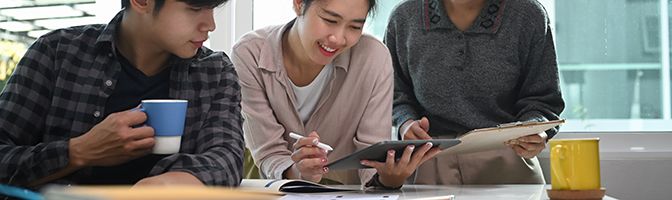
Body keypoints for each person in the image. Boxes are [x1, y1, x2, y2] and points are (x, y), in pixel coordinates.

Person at [0, 0, 243, 187]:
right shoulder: (57, 52)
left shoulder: (215, 71)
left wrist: (164, 184)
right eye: (194, 8)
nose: (210, 25)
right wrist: (79, 151)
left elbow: (226, 157)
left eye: (212, 8)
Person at [233, 0, 440, 189]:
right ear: (298, 4)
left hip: (344, 191)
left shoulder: (373, 58)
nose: (338, 38)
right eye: (329, 20)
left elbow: (373, 154)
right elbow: (269, 152)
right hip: (271, 186)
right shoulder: (250, 54)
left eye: (355, 27)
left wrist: (391, 177)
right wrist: (301, 171)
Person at [386, 0, 565, 184]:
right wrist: (405, 122)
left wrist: (534, 130)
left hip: (510, 158)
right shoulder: (404, 17)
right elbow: (393, 94)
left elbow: (542, 100)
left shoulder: (528, 14)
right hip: (428, 162)